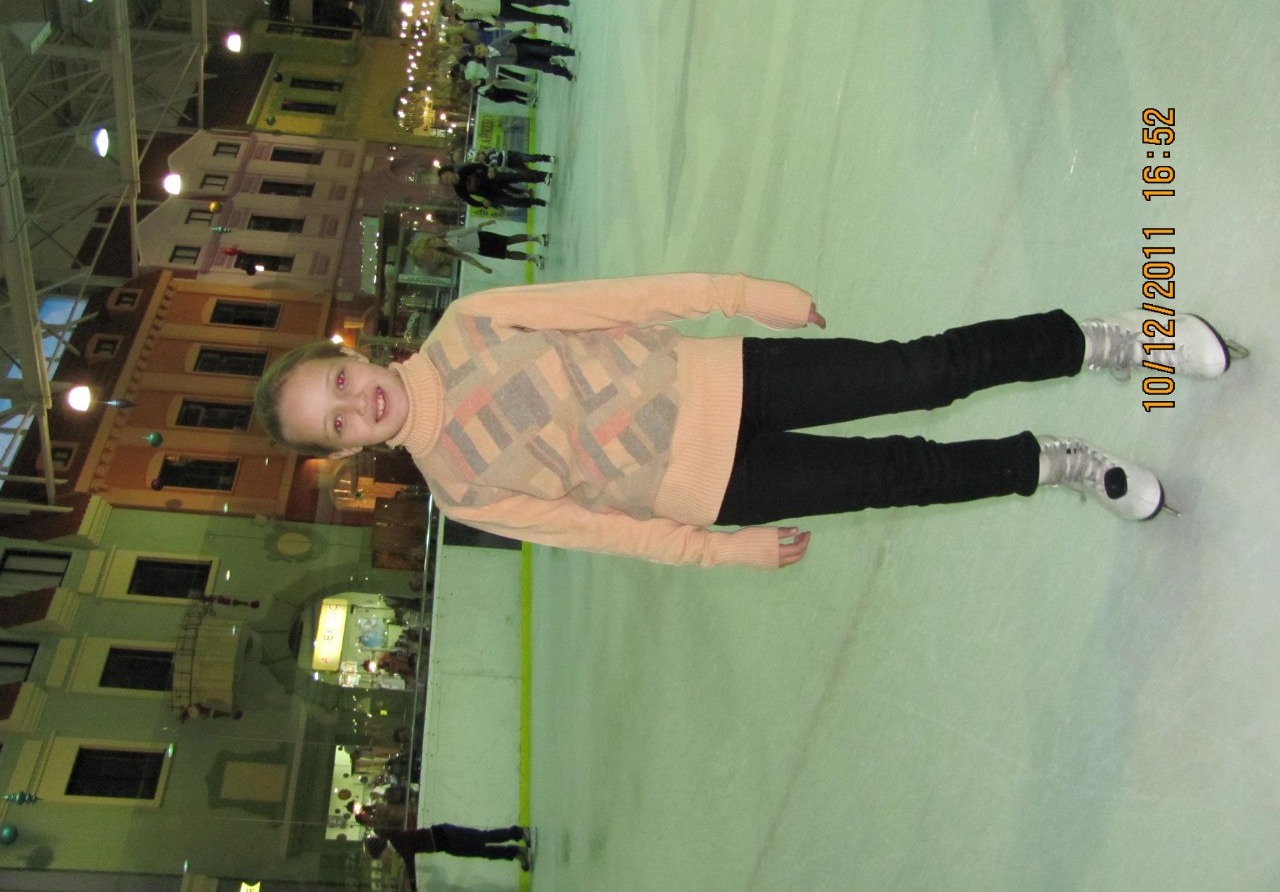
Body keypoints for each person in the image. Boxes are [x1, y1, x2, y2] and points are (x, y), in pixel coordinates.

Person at [252, 274, 1241, 569]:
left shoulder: (471, 322)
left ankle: (1113, 341)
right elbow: (597, 530)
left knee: (925, 372)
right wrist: (717, 551)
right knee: (902, 474)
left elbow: (621, 301)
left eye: (336, 382)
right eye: (335, 424)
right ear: (347, 449)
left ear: (352, 354)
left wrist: (739, 294)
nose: (352, 404)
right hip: (720, 489)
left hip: (733, 380)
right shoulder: (460, 489)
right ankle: (1058, 463)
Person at [367, 824, 533, 892]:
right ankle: (516, 852)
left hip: (447, 834)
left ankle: (519, 833)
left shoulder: (398, 842)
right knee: (482, 852)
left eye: (380, 856)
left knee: (483, 837)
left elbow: (409, 861)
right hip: (446, 845)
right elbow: (404, 861)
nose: (383, 859)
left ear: (382, 849)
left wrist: (414, 888)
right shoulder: (397, 849)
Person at [409, 223, 547, 273]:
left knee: (508, 240)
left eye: (433, 241)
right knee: (507, 254)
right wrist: (482, 268)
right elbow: (467, 258)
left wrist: (483, 224)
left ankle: (536, 238)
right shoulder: (450, 251)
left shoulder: (449, 235)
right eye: (433, 245)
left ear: (434, 237)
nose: (435, 243)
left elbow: (466, 230)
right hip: (482, 250)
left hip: (482, 238)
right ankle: (533, 257)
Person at [446, 0, 570, 33]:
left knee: (529, 2)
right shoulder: (463, 16)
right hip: (500, 11)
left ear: (449, 4)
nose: (452, 10)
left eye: (449, 8)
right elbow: (481, 16)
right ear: (450, 15)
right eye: (450, 12)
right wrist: (494, 22)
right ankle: (559, 21)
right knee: (530, 17)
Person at [438, 162, 546, 209]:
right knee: (512, 202)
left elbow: (480, 165)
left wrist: (489, 169)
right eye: (446, 182)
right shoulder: (459, 190)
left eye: (447, 177)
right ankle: (534, 202)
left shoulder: (464, 170)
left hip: (493, 178)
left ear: (449, 172)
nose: (449, 181)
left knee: (516, 177)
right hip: (491, 194)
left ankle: (541, 177)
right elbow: (471, 201)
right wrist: (482, 203)